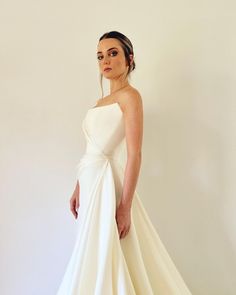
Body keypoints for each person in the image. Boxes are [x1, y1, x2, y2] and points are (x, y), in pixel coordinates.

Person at [56, 31, 192, 295]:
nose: (105, 60)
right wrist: (78, 187)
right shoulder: (99, 102)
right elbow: (93, 149)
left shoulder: (131, 96)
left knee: (110, 247)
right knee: (93, 247)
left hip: (108, 185)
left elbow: (134, 154)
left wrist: (125, 207)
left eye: (113, 53)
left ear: (130, 58)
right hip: (89, 180)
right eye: (100, 56)